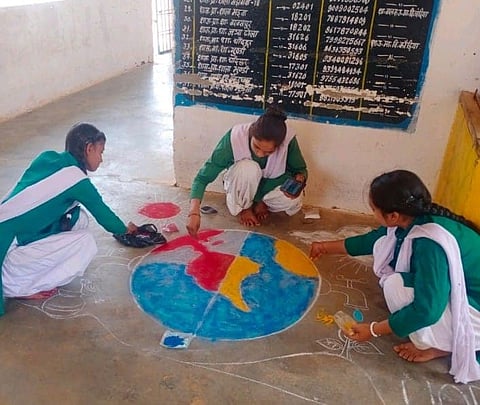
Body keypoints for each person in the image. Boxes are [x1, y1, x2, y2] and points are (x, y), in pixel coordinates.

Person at [309, 169, 480, 384]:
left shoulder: (429, 243)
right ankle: (441, 338)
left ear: (393, 216)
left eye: (373, 209)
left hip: (476, 310)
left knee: (396, 286)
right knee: (396, 273)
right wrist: (324, 247)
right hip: (468, 296)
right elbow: (372, 240)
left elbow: (427, 310)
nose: (373, 214)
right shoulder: (412, 219)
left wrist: (373, 330)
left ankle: (440, 346)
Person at [0, 123, 138, 315]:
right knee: (85, 242)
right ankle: (21, 287)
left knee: (77, 219)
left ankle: (21, 276)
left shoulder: (47, 157)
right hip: (7, 254)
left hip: (10, 237)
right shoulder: (77, 180)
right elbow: (105, 218)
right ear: (89, 148)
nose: (101, 159)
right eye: (100, 152)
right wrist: (125, 229)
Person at [186, 106, 308, 238]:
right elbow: (202, 178)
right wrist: (194, 212)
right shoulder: (234, 138)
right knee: (248, 168)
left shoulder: (287, 140)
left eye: (269, 152)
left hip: (269, 186)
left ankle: (261, 202)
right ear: (251, 134)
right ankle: (245, 208)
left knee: (293, 200)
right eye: (256, 146)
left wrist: (299, 180)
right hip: (240, 183)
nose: (260, 154)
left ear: (279, 145)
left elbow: (300, 170)